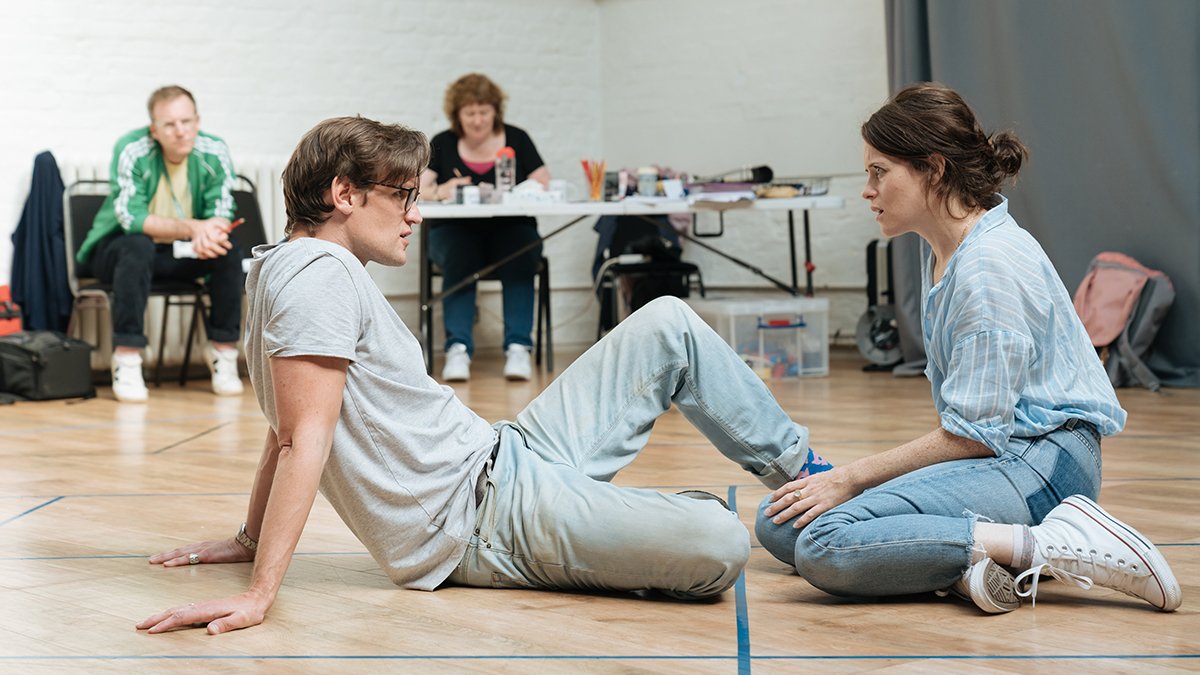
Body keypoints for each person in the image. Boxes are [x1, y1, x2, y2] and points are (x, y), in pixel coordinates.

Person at [135, 115, 832, 635]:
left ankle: (810, 480)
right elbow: (299, 441)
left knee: (669, 324)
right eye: (401, 196)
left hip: (506, 455)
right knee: (720, 543)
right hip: (483, 521)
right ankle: (750, 507)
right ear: (344, 193)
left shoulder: (282, 264)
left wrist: (251, 537)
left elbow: (281, 428)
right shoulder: (319, 274)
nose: (415, 214)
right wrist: (260, 592)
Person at [755, 83, 1182, 614]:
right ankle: (972, 567)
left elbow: (972, 436)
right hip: (1007, 454)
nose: (867, 190)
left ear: (932, 169)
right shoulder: (945, 249)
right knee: (779, 524)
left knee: (823, 545)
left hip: (1045, 467)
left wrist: (849, 477)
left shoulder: (987, 268)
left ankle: (1049, 545)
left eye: (879, 172)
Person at [77, 85, 244, 402]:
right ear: (154, 129)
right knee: (138, 244)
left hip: (177, 252)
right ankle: (127, 357)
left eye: (186, 121)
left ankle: (223, 352)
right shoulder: (132, 149)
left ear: (198, 120)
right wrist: (193, 228)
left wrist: (212, 233)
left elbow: (221, 212)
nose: (180, 132)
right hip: (119, 251)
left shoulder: (214, 150)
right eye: (169, 124)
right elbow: (133, 220)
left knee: (228, 248)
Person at [419, 73, 551, 382]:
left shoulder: (517, 138)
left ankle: (519, 347)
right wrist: (442, 189)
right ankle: (458, 349)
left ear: (495, 111)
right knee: (460, 254)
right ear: (457, 115)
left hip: (510, 228)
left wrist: (524, 189)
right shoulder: (443, 142)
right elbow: (418, 189)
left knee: (521, 249)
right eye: (470, 113)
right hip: (454, 232)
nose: (478, 121)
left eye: (484, 112)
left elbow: (543, 180)